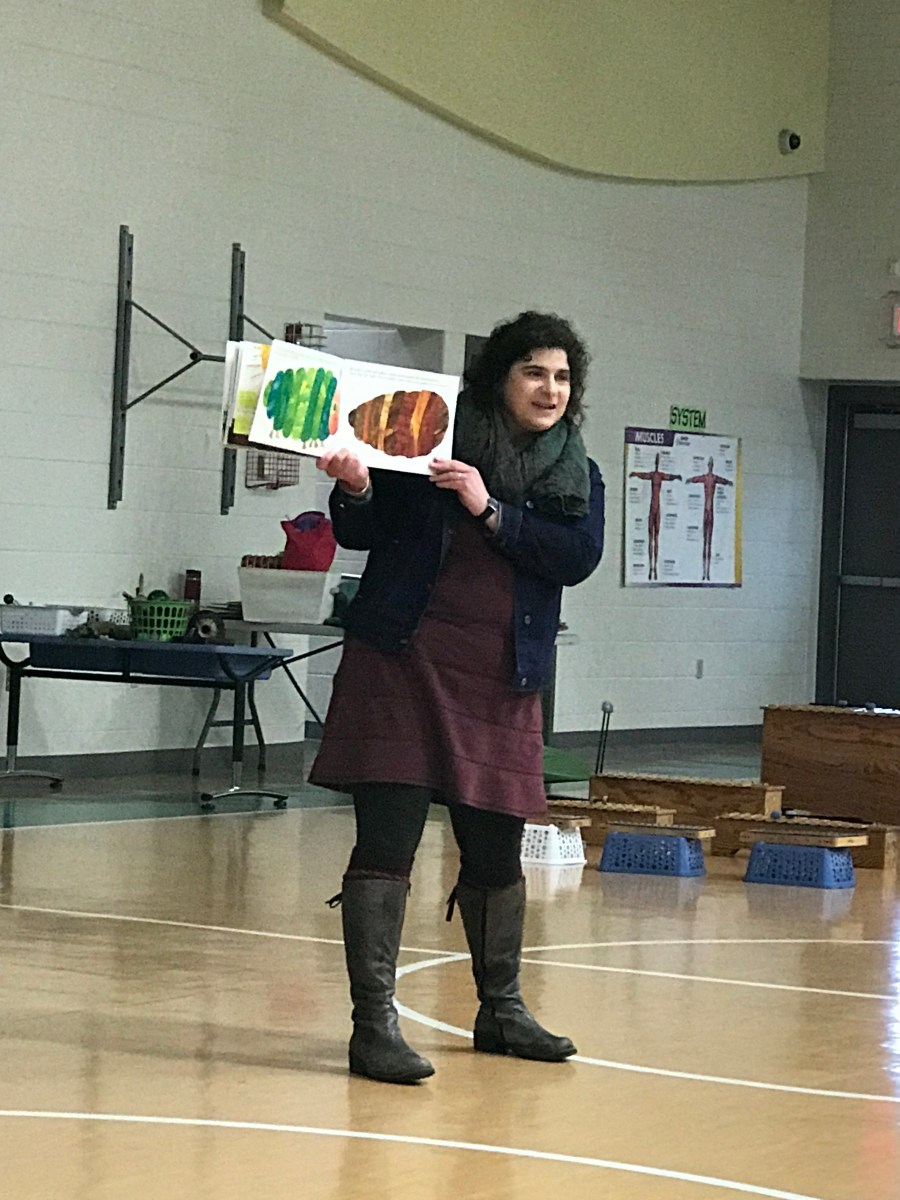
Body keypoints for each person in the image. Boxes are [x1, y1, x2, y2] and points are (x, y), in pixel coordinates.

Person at [310, 311, 606, 1085]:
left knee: (495, 850)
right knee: (389, 842)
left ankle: (501, 1011)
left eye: (562, 377)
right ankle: (373, 1028)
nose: (549, 389)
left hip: (500, 679)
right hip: (400, 661)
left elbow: (576, 556)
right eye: (533, 372)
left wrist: (490, 508)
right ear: (499, 379)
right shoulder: (426, 439)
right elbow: (366, 530)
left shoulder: (577, 471)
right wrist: (356, 486)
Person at [628, 451, 682, 581]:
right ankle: (650, 569)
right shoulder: (653, 475)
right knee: (650, 538)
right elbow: (643, 475)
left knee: (656, 538)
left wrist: (677, 476)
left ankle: (655, 568)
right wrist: (635, 473)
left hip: (657, 508)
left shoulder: (660, 475)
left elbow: (670, 477)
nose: (657, 462)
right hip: (652, 508)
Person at [685, 457, 733, 581]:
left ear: (712, 465)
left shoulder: (714, 478)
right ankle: (703, 572)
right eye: (710, 463)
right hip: (706, 512)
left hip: (710, 512)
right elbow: (696, 479)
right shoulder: (705, 478)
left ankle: (708, 572)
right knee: (704, 542)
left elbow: (723, 480)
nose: (710, 465)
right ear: (708, 465)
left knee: (709, 542)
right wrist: (689, 479)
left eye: (712, 463)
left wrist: (729, 482)